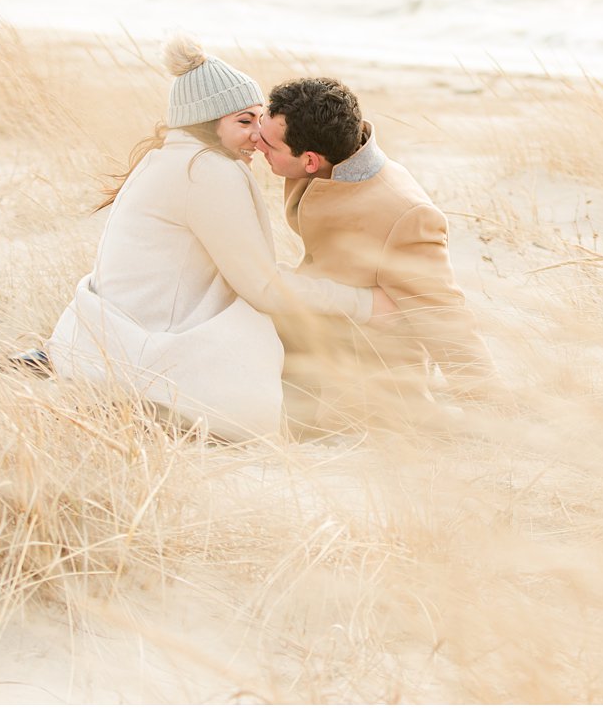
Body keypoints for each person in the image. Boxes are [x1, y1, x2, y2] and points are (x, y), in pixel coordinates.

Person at [46, 39, 391, 442]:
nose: (257, 136)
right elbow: (264, 289)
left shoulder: (172, 157)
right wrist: (365, 304)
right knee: (303, 331)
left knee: (302, 322)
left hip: (114, 336)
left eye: (259, 121)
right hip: (150, 350)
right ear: (206, 124)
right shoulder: (205, 170)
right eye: (244, 122)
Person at [251, 76, 496, 430]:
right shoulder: (329, 156)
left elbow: (444, 318)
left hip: (364, 381)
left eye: (270, 144)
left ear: (308, 161)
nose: (258, 143)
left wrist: (493, 411)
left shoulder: (407, 215)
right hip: (314, 335)